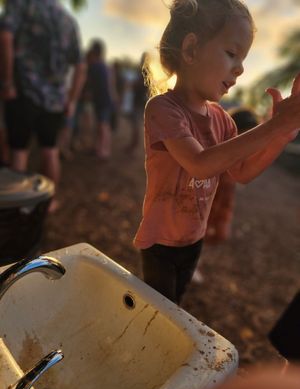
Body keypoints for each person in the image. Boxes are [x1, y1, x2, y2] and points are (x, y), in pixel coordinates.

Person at [133, 0, 300, 304]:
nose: (240, 68)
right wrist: (272, 127)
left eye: (243, 59)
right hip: (160, 241)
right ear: (191, 49)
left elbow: (242, 171)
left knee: (174, 304)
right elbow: (199, 164)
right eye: (232, 53)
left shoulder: (222, 119)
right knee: (157, 310)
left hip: (194, 239)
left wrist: (281, 133)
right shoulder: (163, 109)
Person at [0, 0, 86, 212]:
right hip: (55, 100)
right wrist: (71, 100)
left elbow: (5, 36)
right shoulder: (68, 19)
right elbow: (80, 65)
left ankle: (18, 209)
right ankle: (47, 204)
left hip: (23, 92)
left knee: (19, 151)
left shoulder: (22, 4)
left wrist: (7, 82)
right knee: (50, 151)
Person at [205, 107, 259, 244]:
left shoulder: (238, 160)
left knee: (217, 236)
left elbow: (227, 198)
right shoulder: (214, 153)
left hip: (217, 208)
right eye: (243, 135)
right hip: (198, 212)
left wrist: (223, 220)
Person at [85, 39, 114, 160]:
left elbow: (93, 84)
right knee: (101, 125)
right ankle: (99, 148)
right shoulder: (103, 65)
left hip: (102, 100)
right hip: (104, 100)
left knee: (102, 126)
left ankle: (103, 151)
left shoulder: (96, 66)